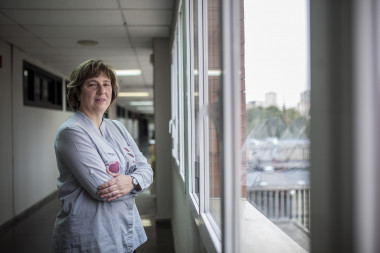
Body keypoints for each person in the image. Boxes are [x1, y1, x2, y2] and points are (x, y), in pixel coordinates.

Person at [52, 59, 153, 253]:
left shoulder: (117, 127)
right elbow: (102, 190)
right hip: (90, 237)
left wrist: (131, 181)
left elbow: (146, 168)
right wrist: (138, 180)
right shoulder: (71, 132)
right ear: (77, 92)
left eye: (106, 84)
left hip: (125, 231)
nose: (101, 90)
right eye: (92, 84)